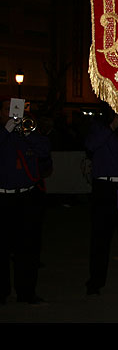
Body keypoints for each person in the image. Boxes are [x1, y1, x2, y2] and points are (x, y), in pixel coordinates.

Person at [0, 97, 52, 305]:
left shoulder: (27, 130)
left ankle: (26, 292)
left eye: (16, 109)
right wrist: (5, 131)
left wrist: (28, 132)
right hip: (2, 197)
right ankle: (1, 292)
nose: (12, 112)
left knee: (28, 248)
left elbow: (45, 149)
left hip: (26, 196)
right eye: (7, 108)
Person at [84, 105, 118, 295]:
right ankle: (95, 282)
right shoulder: (98, 127)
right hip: (104, 188)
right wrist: (112, 127)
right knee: (100, 238)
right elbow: (91, 145)